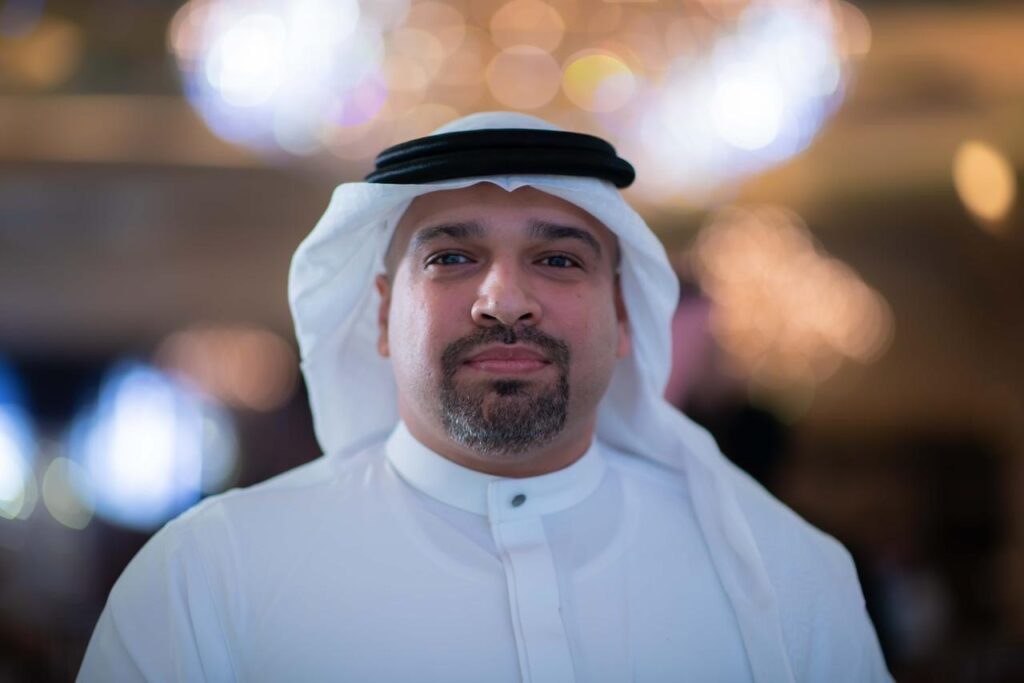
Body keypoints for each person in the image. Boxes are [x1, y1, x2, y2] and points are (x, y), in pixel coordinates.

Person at [79, 112, 891, 682]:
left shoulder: (787, 576)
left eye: (559, 260)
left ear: (624, 316)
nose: (504, 301)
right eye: (451, 258)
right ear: (383, 315)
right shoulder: (206, 576)